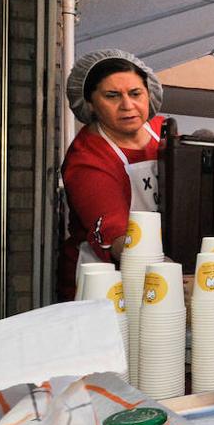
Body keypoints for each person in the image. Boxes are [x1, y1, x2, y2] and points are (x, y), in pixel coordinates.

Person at [59, 49, 166, 300]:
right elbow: (117, 237)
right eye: (112, 96)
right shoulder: (87, 160)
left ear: (148, 94)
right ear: (90, 104)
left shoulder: (164, 134)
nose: (127, 105)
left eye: (135, 93)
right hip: (104, 286)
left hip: (155, 271)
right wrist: (166, 271)